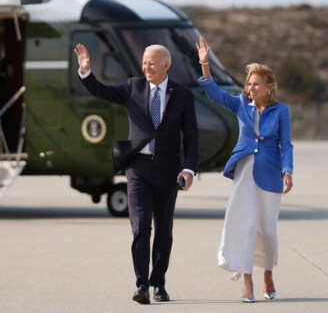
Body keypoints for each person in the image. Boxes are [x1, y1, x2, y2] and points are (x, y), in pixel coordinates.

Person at [74, 43, 199, 304]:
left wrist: (189, 169)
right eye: (144, 62)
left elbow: (191, 136)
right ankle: (142, 285)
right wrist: (86, 73)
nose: (146, 67)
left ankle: (159, 284)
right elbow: (102, 92)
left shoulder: (183, 94)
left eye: (152, 62)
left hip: (168, 170)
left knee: (164, 231)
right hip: (138, 169)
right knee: (141, 228)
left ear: (166, 65)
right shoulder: (133, 87)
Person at [196, 36, 293, 303]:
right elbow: (214, 93)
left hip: (271, 172)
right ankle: (247, 281)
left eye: (256, 84)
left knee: (268, 230)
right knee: (247, 225)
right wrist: (205, 65)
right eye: (248, 83)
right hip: (245, 170)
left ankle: (268, 273)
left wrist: (288, 171)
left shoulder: (281, 111)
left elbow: (287, 145)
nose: (250, 87)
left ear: (269, 88)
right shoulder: (240, 104)